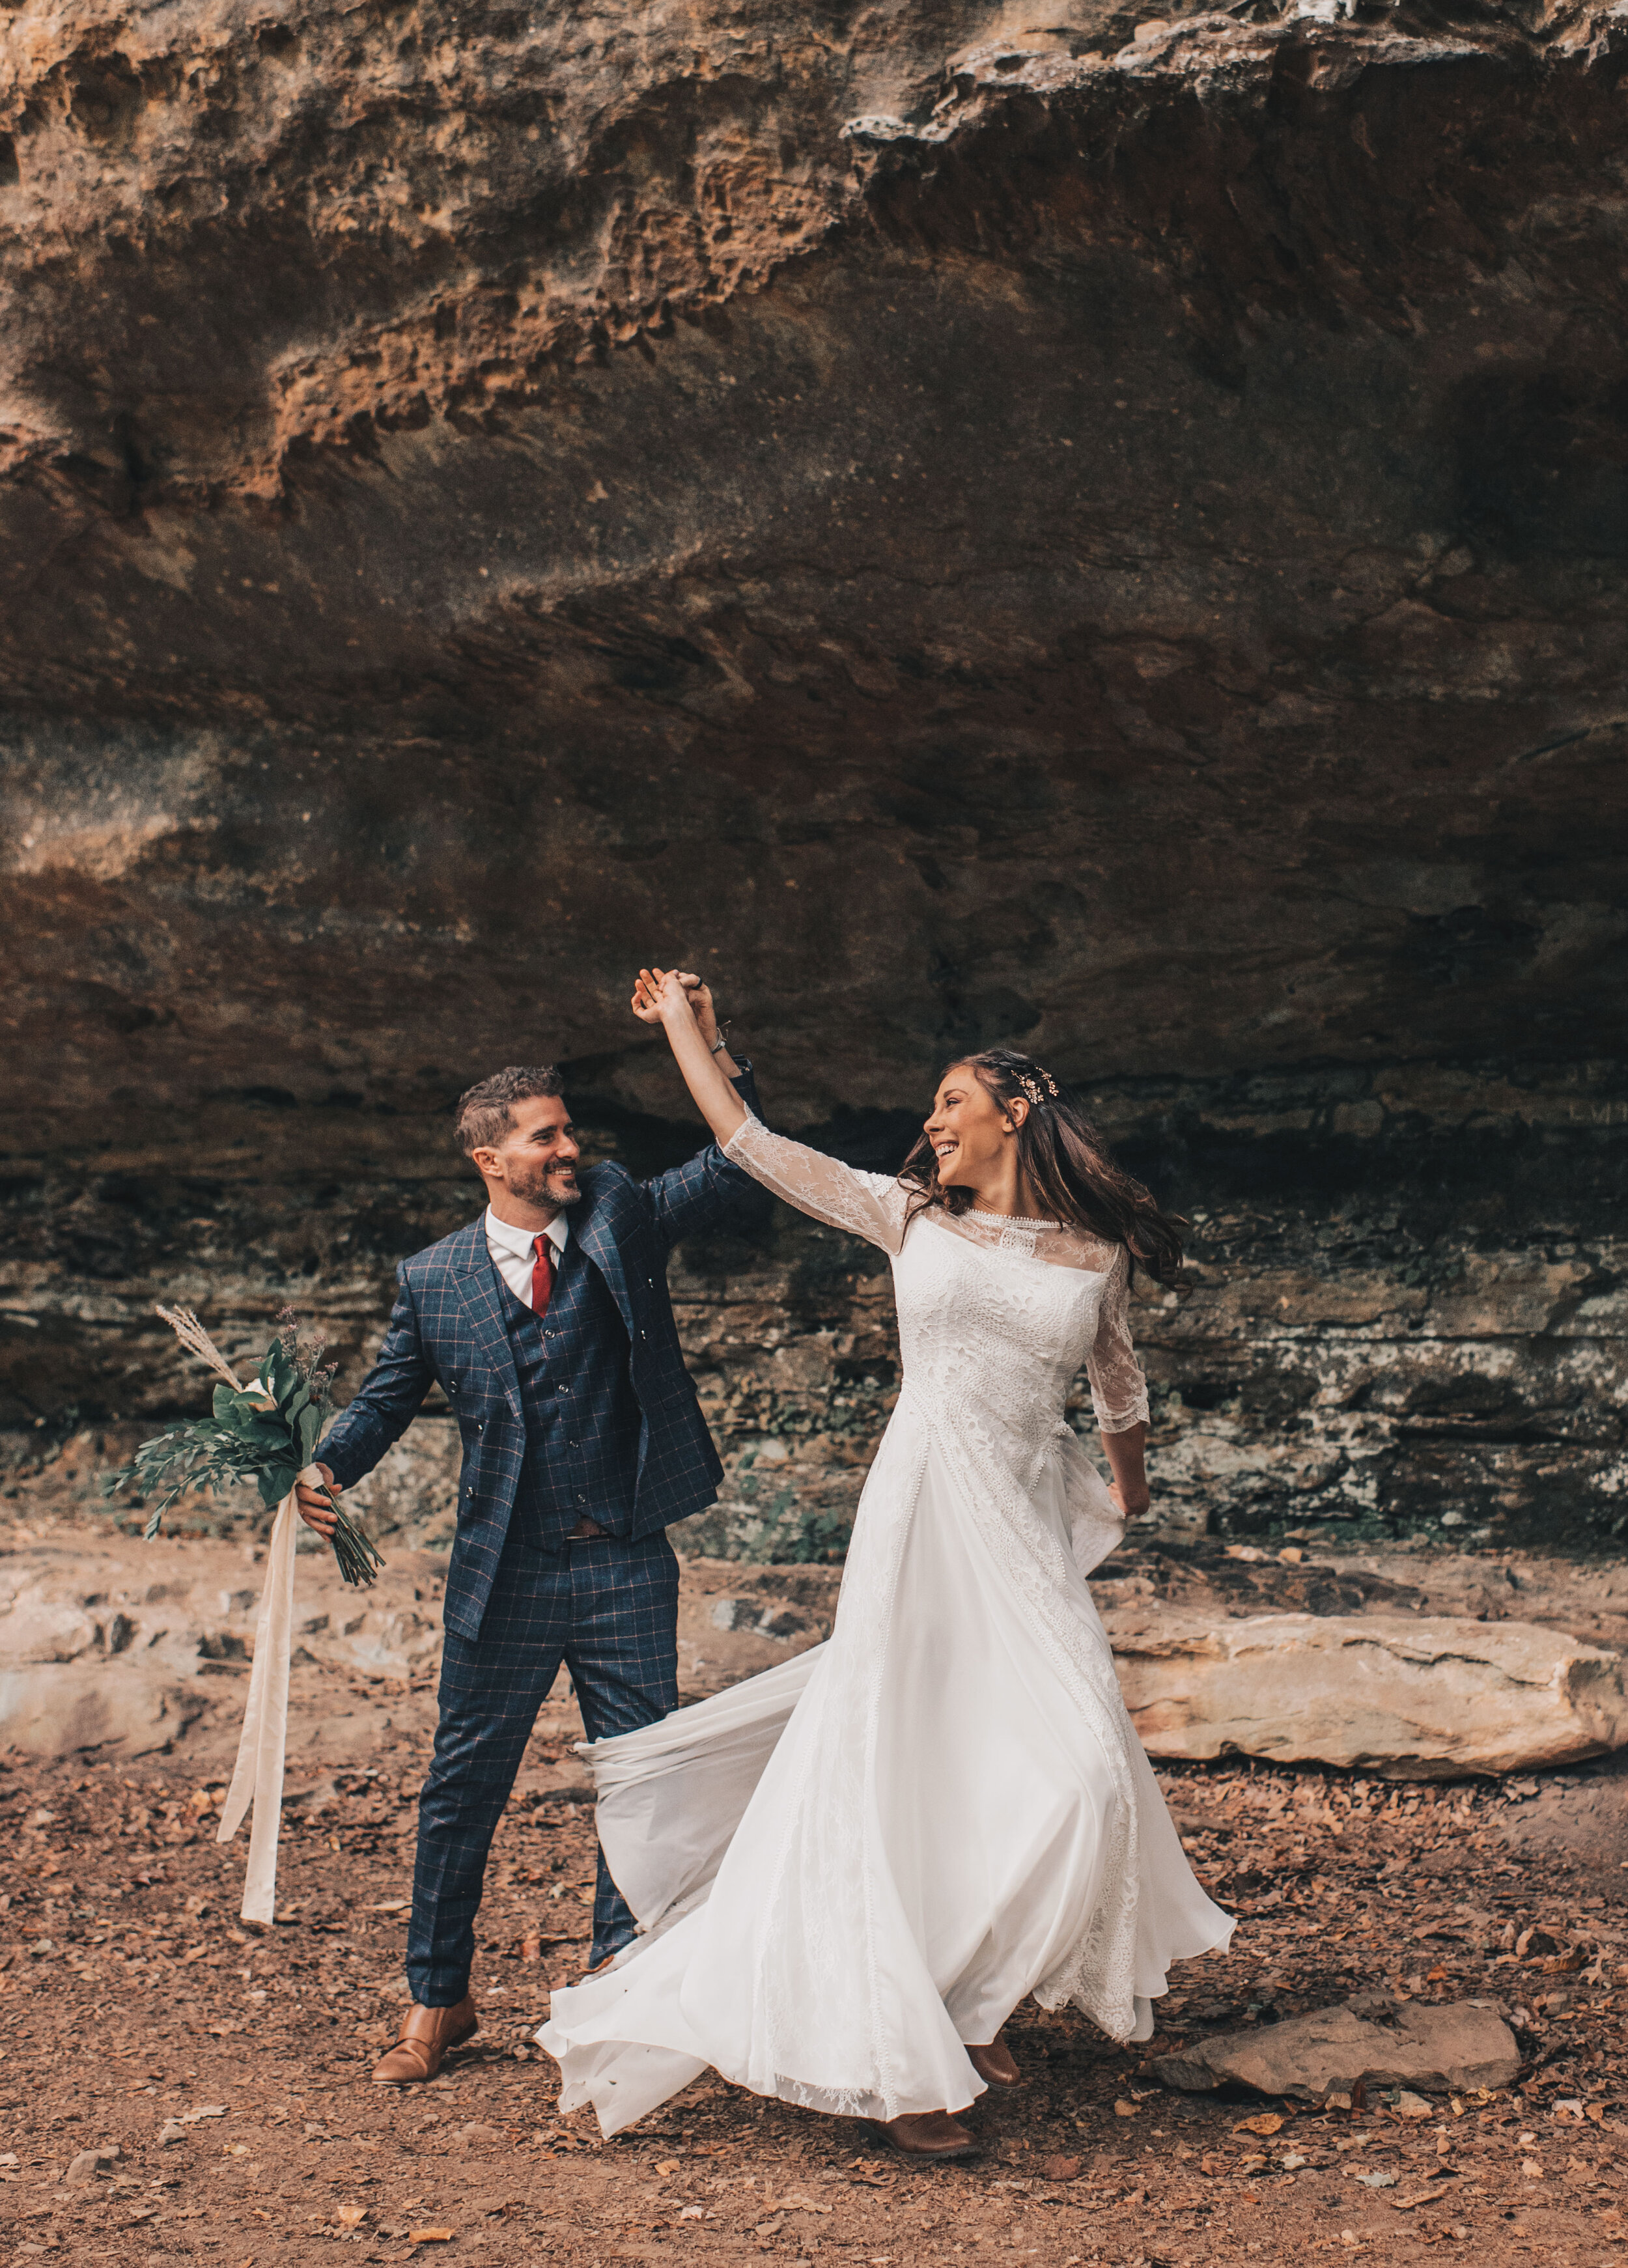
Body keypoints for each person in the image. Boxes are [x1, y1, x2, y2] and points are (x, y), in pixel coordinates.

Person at [539, 970, 1232, 2159]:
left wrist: (1128, 1488)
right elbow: (747, 1140)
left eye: (950, 1100)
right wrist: (689, 1033)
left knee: (1082, 1777)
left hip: (1020, 1531)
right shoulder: (908, 1214)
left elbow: (1119, 1382)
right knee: (894, 1757)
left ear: (1014, 1108)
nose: (932, 1121)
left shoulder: (1094, 1251)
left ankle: (969, 1993)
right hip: (920, 1512)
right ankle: (903, 2039)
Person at [294, 984, 764, 2084]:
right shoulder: (434, 1280)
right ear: (488, 1158)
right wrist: (327, 1463)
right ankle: (438, 1999)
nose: (571, 1146)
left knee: (644, 1779)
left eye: (568, 1130)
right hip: (502, 1571)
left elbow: (741, 1156)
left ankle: (617, 1983)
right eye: (545, 1135)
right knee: (463, 1785)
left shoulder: (619, 1216)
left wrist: (709, 1038)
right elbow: (384, 1397)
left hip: (623, 1559)